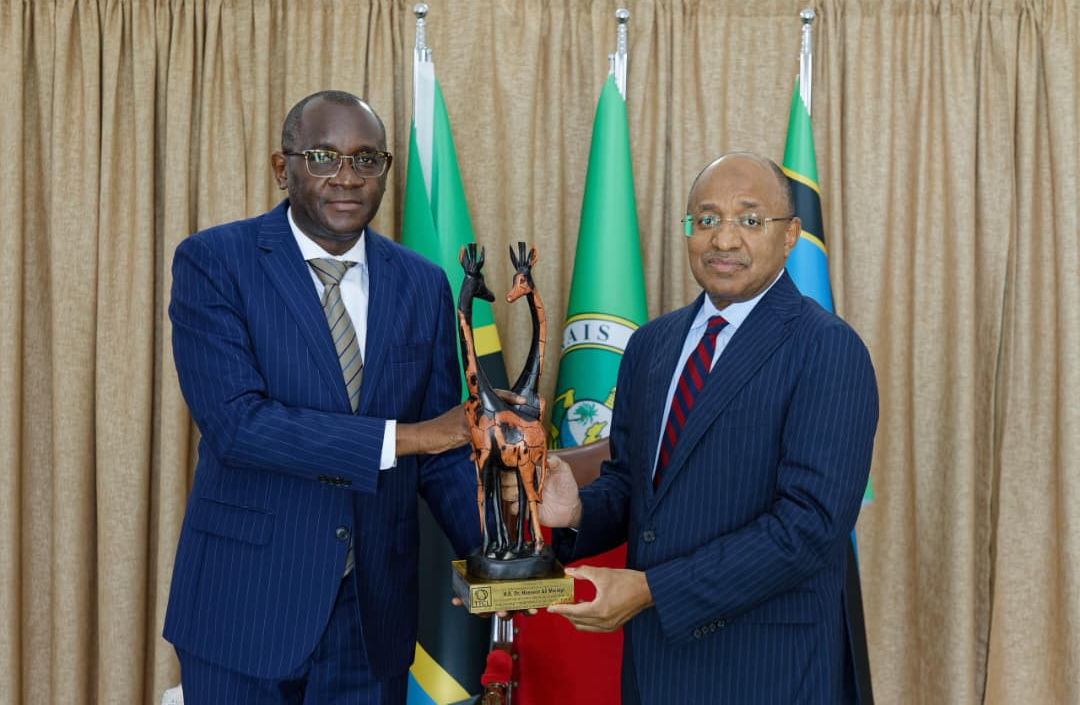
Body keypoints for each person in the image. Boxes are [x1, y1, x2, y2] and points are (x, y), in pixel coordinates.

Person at [163, 90, 480, 703]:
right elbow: (238, 425)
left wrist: (496, 555)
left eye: (366, 159)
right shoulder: (215, 262)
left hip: (372, 616)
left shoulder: (422, 283)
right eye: (323, 157)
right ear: (282, 169)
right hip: (244, 607)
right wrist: (409, 437)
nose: (347, 178)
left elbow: (442, 453)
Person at [534, 152, 879, 703]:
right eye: (707, 218)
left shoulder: (828, 349)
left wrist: (652, 589)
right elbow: (635, 486)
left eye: (749, 219)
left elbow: (808, 527)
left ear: (790, 235)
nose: (723, 239)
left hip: (765, 670)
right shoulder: (651, 344)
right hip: (654, 665)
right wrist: (576, 510)